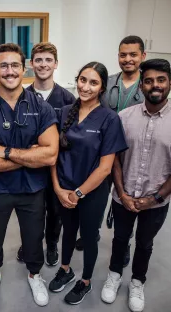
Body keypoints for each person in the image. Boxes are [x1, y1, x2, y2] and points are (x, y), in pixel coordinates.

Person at [101, 59, 171, 312]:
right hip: (123, 196)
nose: (154, 85)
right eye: (148, 81)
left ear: (170, 84)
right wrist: (122, 193)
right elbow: (115, 161)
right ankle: (114, 275)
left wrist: (154, 198)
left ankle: (137, 281)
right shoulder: (123, 118)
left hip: (156, 202)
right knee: (120, 239)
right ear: (141, 87)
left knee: (145, 243)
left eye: (160, 80)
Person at [0, 43, 59, 307]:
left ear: (24, 68)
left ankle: (34, 274)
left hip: (32, 190)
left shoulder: (40, 107)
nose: (9, 71)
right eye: (3, 65)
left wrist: (5, 152)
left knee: (33, 236)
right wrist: (29, 157)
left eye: (14, 65)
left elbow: (51, 155)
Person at [48, 62, 128, 305]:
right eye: (83, 80)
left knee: (89, 236)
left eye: (93, 82)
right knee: (68, 231)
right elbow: (52, 155)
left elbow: (106, 167)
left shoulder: (109, 119)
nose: (85, 86)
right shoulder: (63, 112)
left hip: (91, 192)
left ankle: (86, 281)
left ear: (102, 87)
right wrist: (58, 188)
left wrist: (79, 193)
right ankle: (66, 269)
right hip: (63, 189)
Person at [75, 35, 147, 264]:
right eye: (123, 54)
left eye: (133, 55)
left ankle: (124, 242)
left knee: (126, 197)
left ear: (142, 57)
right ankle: (91, 232)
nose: (127, 59)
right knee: (98, 193)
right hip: (102, 149)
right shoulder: (107, 83)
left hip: (132, 152)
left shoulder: (147, 84)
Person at [16, 42, 76, 267]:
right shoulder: (22, 97)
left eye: (48, 60)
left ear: (56, 64)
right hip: (28, 167)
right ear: (31, 64)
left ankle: (51, 244)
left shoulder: (68, 99)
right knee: (30, 211)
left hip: (56, 167)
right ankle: (30, 243)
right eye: (38, 60)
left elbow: (71, 137)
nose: (43, 64)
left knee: (55, 210)